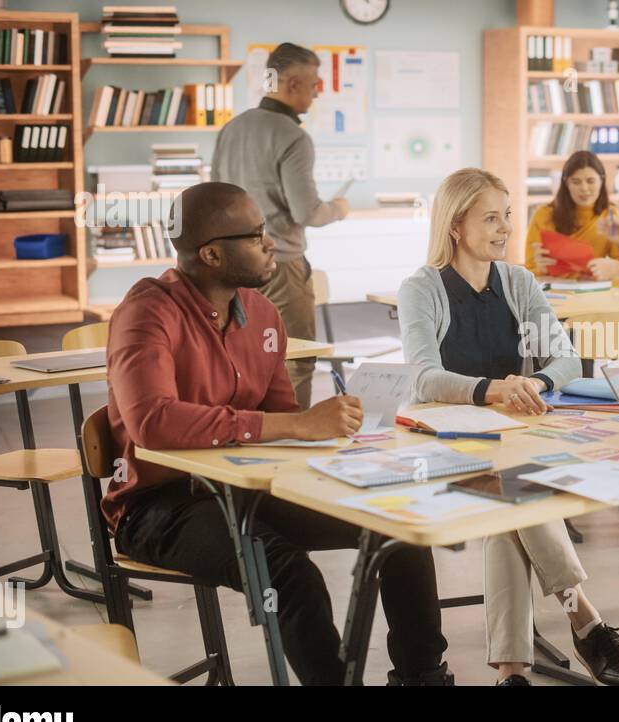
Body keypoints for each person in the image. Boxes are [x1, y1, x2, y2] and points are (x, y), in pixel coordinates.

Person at [105, 182, 449, 686]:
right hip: (159, 505)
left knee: (399, 529)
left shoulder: (263, 314)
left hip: (247, 487)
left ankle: (424, 679)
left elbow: (284, 420)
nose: (271, 244)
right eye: (256, 235)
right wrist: (296, 425)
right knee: (288, 573)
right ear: (212, 254)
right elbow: (152, 423)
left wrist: (343, 442)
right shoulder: (146, 312)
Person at [398, 167, 619, 687]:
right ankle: (586, 621)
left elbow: (565, 358)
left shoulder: (518, 282)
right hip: (445, 446)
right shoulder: (421, 288)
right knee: (516, 494)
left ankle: (512, 672)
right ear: (455, 225)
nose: (506, 228)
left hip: (513, 442)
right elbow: (424, 377)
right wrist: (496, 388)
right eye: (491, 218)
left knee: (506, 505)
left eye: (507, 216)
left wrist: (534, 383)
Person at [211, 42, 351, 408]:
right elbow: (308, 213)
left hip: (231, 268)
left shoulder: (231, 129)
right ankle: (293, 435)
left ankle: (249, 432)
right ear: (292, 84)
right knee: (296, 360)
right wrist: (338, 208)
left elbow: (215, 196)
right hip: (280, 266)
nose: (317, 92)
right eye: (315, 83)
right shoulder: (293, 137)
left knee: (240, 359)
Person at [525, 150, 619, 281]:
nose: (584, 188)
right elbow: (529, 269)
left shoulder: (610, 214)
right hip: (554, 286)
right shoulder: (543, 215)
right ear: (566, 183)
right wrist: (540, 269)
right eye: (576, 182)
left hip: (593, 287)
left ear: (601, 180)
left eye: (590, 181)